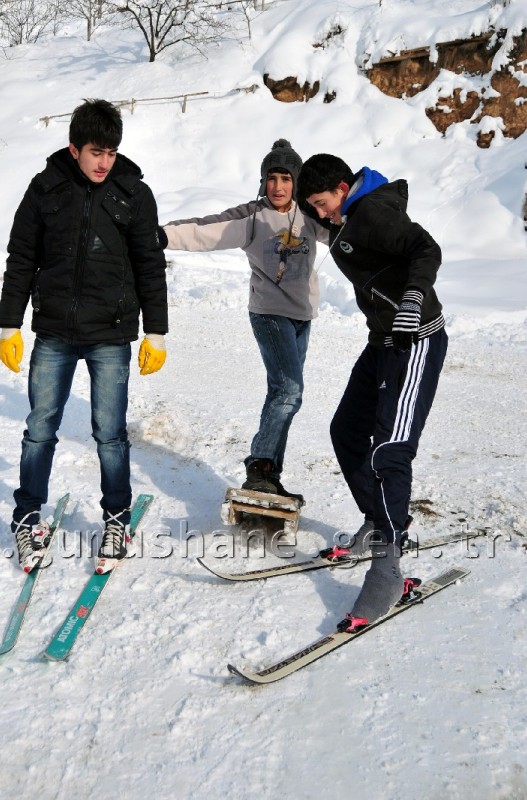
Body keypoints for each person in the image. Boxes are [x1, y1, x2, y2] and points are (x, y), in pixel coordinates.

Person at [0, 99, 168, 573]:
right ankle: (27, 515)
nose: (104, 162)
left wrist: (155, 331)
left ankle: (117, 517)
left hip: (111, 334)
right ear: (74, 148)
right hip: (53, 331)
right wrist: (9, 324)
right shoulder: (44, 188)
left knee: (110, 434)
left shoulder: (134, 194)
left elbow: (151, 267)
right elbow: (20, 257)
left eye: (111, 152)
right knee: (39, 430)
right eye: (96, 151)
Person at [297, 153, 447, 631]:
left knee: (390, 450)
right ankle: (376, 522)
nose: (321, 215)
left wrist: (412, 298)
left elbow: (426, 248)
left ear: (343, 187)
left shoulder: (374, 214)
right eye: (314, 208)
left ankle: (388, 567)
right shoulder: (347, 212)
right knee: (347, 431)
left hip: (415, 338)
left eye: (322, 204)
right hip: (383, 340)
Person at [161, 139, 328, 498]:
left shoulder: (311, 215)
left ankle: (269, 478)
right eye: (272, 178)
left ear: (296, 181)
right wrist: (159, 235)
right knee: (289, 390)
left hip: (302, 317)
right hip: (268, 313)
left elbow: (349, 232)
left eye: (286, 178)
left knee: (281, 394)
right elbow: (205, 230)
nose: (278, 187)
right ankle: (260, 467)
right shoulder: (252, 216)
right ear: (263, 180)